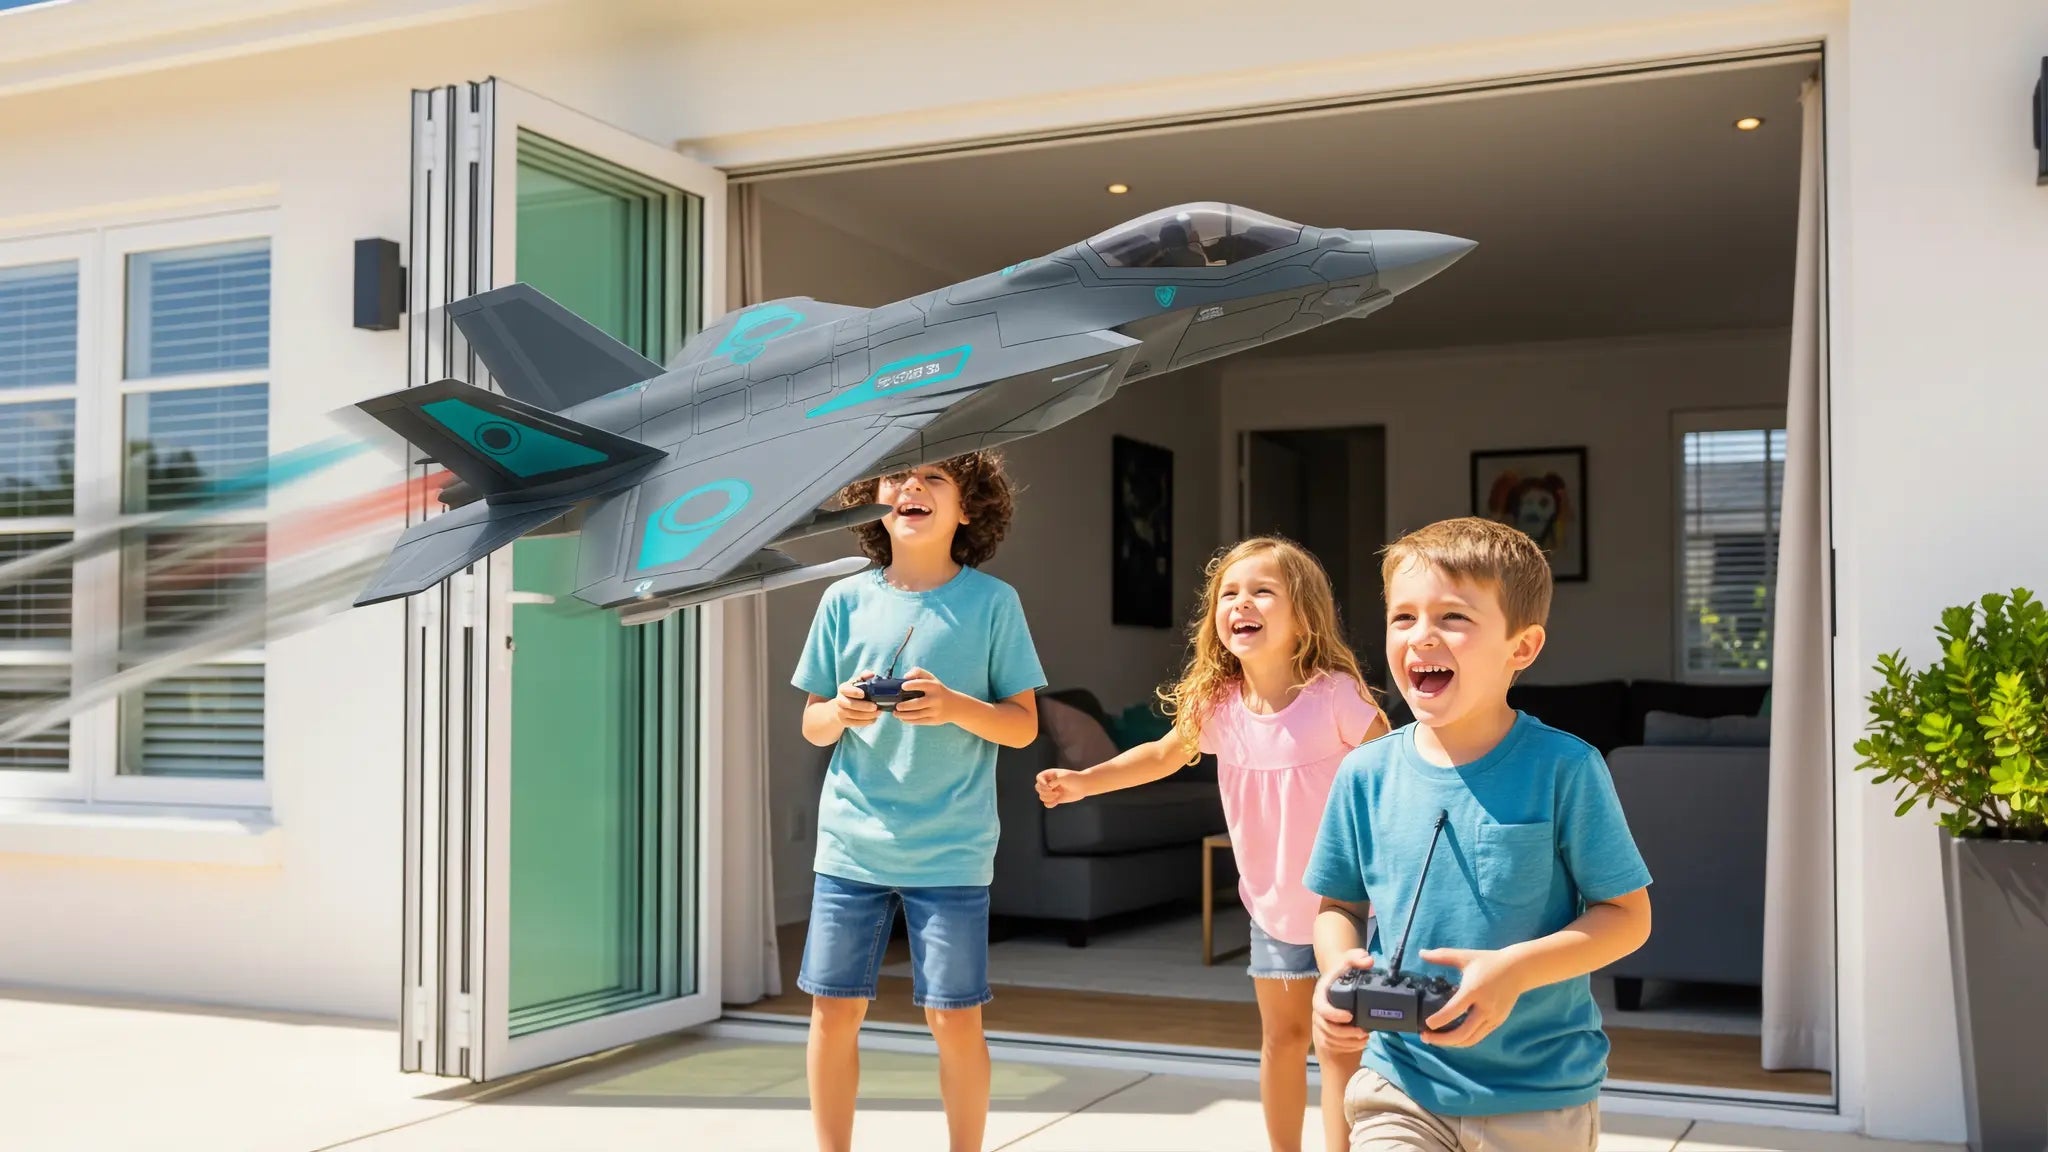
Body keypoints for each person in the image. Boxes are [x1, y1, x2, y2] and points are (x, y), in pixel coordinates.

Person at [1304, 517, 1654, 1152]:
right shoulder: (1365, 773)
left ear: (1522, 648)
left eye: (1453, 617)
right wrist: (1337, 970)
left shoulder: (1566, 769)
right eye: (1403, 617)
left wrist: (1513, 971)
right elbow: (1338, 906)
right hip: (1401, 1084)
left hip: (1540, 1095)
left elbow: (1628, 917)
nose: (1422, 635)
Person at [1036, 535, 1390, 1152]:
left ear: (1303, 615)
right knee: (1282, 1039)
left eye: (1262, 591)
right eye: (1229, 593)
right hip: (1273, 908)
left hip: (1351, 907)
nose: (1241, 603)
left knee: (1341, 1046)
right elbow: (1161, 756)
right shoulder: (1219, 704)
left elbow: (1392, 773)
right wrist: (1086, 781)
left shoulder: (1335, 695)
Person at [792, 451, 1046, 1152]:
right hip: (851, 845)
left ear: (968, 510)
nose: (912, 485)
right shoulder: (842, 600)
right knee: (832, 1012)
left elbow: (1022, 726)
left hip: (952, 849)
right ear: (873, 501)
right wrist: (841, 710)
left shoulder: (994, 604)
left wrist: (955, 706)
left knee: (954, 1019)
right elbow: (813, 725)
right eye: (898, 474)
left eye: (936, 477)